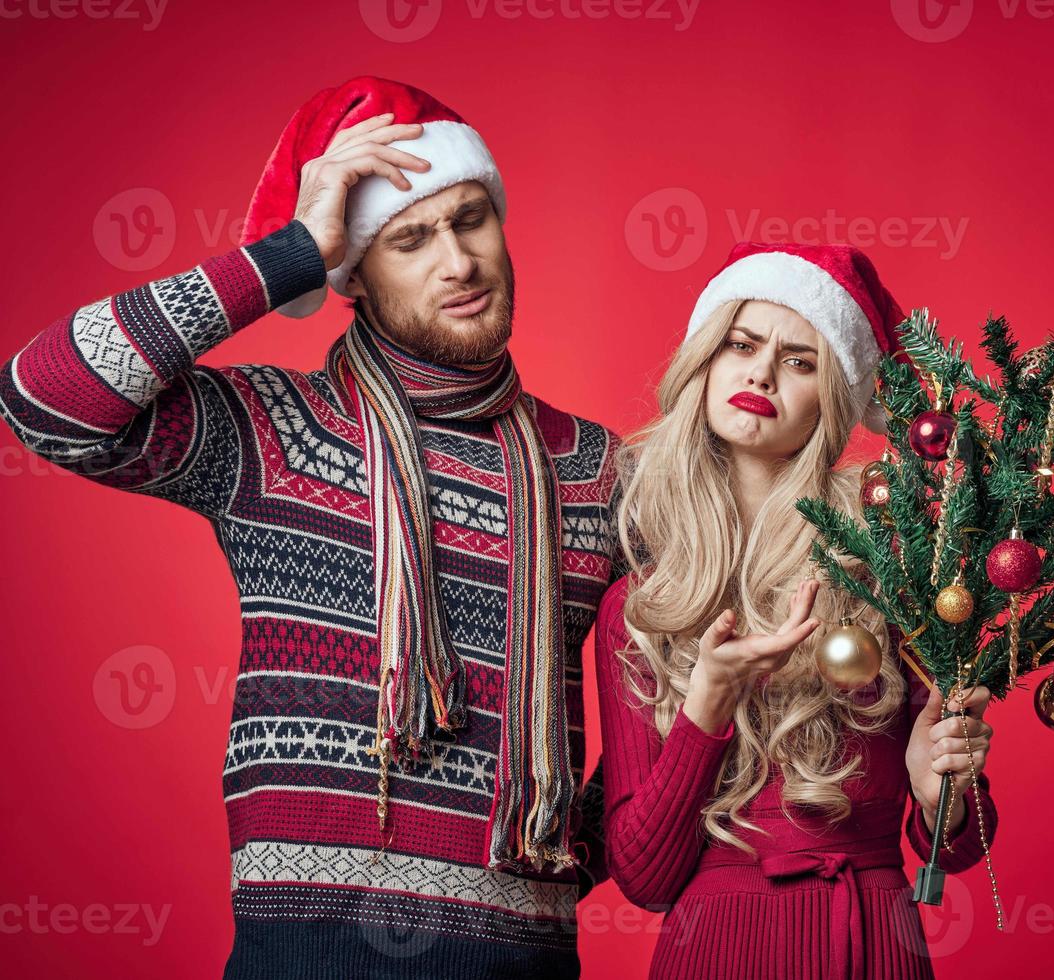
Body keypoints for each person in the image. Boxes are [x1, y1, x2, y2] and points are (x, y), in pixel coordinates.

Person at [0, 76, 621, 978]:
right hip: (302, 957)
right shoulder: (273, 431)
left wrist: (560, 863)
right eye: (410, 238)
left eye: (472, 219)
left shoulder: (599, 471)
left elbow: (677, 712)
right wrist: (291, 251)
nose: (459, 261)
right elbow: (44, 398)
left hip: (523, 963)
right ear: (354, 279)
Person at [594, 242, 1000, 979]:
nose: (760, 372)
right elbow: (643, 879)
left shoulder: (893, 567)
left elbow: (960, 848)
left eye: (799, 360)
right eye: (741, 345)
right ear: (706, 364)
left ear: (835, 397)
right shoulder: (640, 607)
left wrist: (939, 788)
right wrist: (707, 706)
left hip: (870, 938)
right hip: (713, 951)